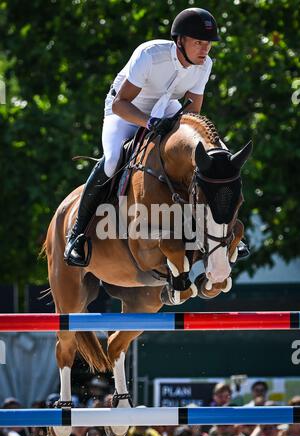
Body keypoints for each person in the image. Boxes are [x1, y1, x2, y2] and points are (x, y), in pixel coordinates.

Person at [64, 7, 249, 267]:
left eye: (207, 43)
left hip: (168, 108)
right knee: (112, 159)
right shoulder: (150, 55)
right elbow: (120, 104)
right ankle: (77, 234)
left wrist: (178, 133)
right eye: (198, 42)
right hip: (127, 110)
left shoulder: (204, 65)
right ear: (180, 40)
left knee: (215, 153)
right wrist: (150, 123)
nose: (204, 49)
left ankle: (228, 232)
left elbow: (193, 114)